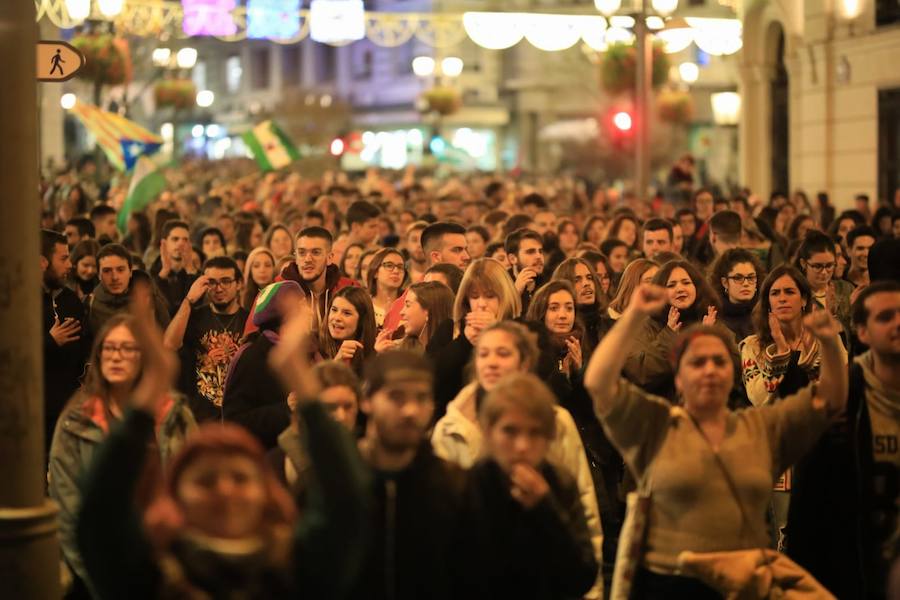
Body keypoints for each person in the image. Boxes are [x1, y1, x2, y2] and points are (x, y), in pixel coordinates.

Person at [75, 291, 369, 600]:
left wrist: (302, 382)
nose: (225, 491)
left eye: (241, 478)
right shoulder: (155, 573)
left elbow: (348, 505)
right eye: (206, 480)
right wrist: (151, 388)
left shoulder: (292, 568)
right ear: (177, 494)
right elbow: (99, 515)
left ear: (265, 491)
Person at [584, 283, 846, 598]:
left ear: (732, 372)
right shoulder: (655, 424)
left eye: (719, 361)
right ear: (678, 378)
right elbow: (599, 382)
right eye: (697, 362)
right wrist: (635, 314)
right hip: (670, 586)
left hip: (744, 586)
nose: (709, 370)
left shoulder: (761, 427)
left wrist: (830, 343)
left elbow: (829, 401)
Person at [50, 312, 195, 598]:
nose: (116, 356)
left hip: (166, 564)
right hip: (99, 563)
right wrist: (94, 576)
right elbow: (66, 508)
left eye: (127, 348)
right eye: (109, 347)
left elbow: (192, 487)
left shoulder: (173, 413)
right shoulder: (77, 420)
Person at [787, 281, 900, 599]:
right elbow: (809, 505)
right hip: (858, 571)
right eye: (885, 317)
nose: (898, 323)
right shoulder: (844, 400)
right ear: (862, 332)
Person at [458, 372, 599, 600]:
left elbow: (582, 576)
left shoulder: (559, 482)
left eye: (535, 433)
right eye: (510, 431)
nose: (523, 446)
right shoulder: (468, 485)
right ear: (488, 431)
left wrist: (545, 508)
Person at [351, 350, 469, 600]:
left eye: (422, 398)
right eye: (396, 397)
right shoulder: (337, 482)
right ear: (367, 399)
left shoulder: (453, 486)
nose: (410, 411)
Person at [740, 265, 848, 407]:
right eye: (775, 293)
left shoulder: (825, 338)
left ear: (803, 299)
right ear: (769, 303)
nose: (782, 298)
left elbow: (840, 387)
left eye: (789, 292)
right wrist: (780, 352)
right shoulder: (751, 345)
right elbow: (758, 400)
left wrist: (813, 354)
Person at [164, 257, 249, 423]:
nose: (218, 288)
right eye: (212, 282)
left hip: (240, 415)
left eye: (226, 281)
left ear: (239, 284)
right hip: (201, 416)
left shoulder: (250, 321)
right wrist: (189, 300)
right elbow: (168, 345)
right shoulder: (193, 316)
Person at [624, 260, 722, 401]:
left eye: (686, 283)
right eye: (671, 285)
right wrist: (668, 335)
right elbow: (640, 373)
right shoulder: (643, 326)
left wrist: (708, 339)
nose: (680, 289)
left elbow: (734, 367)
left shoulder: (711, 318)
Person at [42, 230, 89, 456]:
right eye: (63, 258)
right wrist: (50, 341)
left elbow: (82, 351)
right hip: (33, 412)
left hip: (66, 410)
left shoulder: (70, 300)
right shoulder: (19, 299)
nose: (70, 264)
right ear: (43, 262)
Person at [381, 221, 469, 333]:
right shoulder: (408, 300)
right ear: (436, 257)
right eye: (457, 250)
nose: (466, 256)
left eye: (466, 249)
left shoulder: (471, 291)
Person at [267, 226, 358, 335]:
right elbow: (251, 342)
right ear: (296, 258)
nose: (308, 259)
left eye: (315, 252)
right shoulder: (276, 291)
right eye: (302, 253)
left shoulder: (349, 289)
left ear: (329, 258)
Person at [85, 243, 169, 339]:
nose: (115, 277)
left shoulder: (150, 300)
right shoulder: (90, 304)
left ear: (130, 272)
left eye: (120, 270)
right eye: (107, 271)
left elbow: (169, 341)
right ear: (99, 275)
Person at [794, 230, 853, 337]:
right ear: (803, 263)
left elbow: (855, 333)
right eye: (817, 266)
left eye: (829, 265)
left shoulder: (845, 289)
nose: (824, 272)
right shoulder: (797, 294)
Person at [710, 248, 765, 342]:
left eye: (751, 277)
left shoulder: (766, 312)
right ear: (725, 282)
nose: (746, 283)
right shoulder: (715, 317)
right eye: (738, 278)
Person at [553, 257, 608, 351]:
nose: (586, 283)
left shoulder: (611, 326)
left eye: (589, 278)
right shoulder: (563, 330)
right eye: (577, 280)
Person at [320, 286, 377, 375]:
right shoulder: (312, 345)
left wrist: (377, 357)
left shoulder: (372, 352)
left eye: (347, 313)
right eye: (334, 310)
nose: (337, 318)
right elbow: (310, 387)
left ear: (362, 320)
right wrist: (337, 362)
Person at [150, 220, 199, 316]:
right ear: (164, 243)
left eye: (185, 240)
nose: (180, 244)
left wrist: (190, 270)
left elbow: (197, 306)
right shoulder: (152, 273)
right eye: (175, 239)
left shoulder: (195, 274)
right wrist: (163, 274)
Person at [394, 280, 454, 352]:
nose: (401, 312)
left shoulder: (453, 353)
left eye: (408, 305)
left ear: (428, 311)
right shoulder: (396, 349)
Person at [605, 258, 659, 322]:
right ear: (634, 284)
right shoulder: (611, 316)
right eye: (648, 281)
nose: (656, 285)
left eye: (658, 280)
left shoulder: (664, 314)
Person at [506, 227, 545, 313]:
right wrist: (516, 292)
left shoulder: (548, 282)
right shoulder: (501, 283)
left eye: (540, 251)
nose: (539, 256)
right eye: (531, 252)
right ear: (513, 259)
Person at [366, 247, 407, 328]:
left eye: (400, 267)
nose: (396, 271)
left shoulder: (408, 305)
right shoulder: (364, 305)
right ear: (375, 272)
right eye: (389, 265)